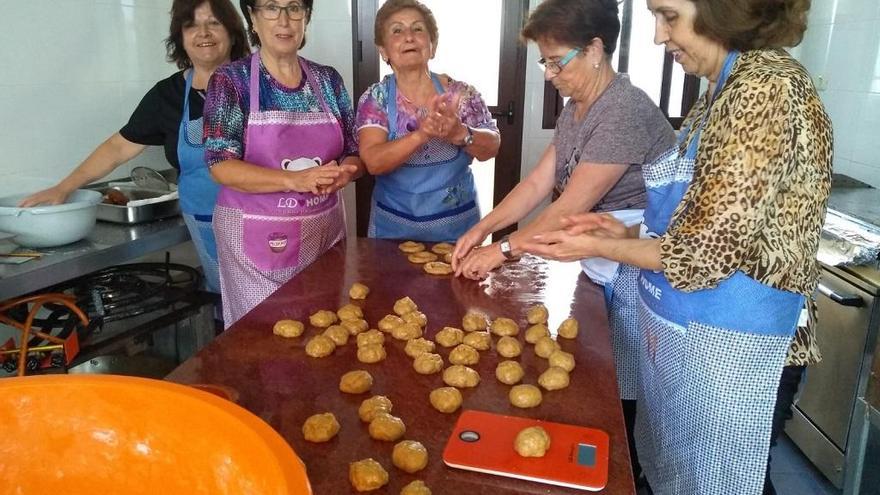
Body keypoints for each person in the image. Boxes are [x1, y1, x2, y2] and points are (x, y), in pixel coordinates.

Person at [521, 0, 832, 493]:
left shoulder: (765, 88)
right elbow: (699, 219)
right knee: (682, 473)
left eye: (669, 16)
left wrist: (596, 246)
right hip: (698, 331)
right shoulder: (719, 93)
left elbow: (704, 254)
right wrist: (622, 234)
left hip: (740, 341)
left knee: (726, 482)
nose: (658, 37)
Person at [453, 0, 674, 477]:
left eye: (557, 61)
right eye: (544, 61)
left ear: (595, 50)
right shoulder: (578, 108)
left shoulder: (623, 110)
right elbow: (536, 185)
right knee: (602, 372)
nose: (549, 73)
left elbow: (569, 205)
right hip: (599, 255)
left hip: (638, 260)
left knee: (629, 389)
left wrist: (504, 250)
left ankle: (624, 475)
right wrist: (483, 226)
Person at [20, 0, 250, 296]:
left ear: (232, 31)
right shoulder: (167, 96)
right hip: (207, 222)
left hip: (263, 218)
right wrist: (64, 187)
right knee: (229, 301)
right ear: (180, 37)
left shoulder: (258, 84)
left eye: (214, 23)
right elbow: (117, 147)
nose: (203, 33)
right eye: (191, 24)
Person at [204, 0, 362, 327]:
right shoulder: (231, 81)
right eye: (271, 8)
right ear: (253, 17)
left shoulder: (328, 80)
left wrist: (346, 172)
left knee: (325, 328)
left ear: (306, 16)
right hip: (257, 242)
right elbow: (220, 165)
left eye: (294, 8)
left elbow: (353, 149)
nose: (284, 20)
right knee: (267, 338)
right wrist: (294, 180)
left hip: (323, 236)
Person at [355, 0, 500, 242]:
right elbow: (374, 162)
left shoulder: (461, 94)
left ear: (432, 46)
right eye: (397, 30)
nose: (409, 37)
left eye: (418, 29)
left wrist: (460, 133)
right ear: (383, 51)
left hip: (458, 231)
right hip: (393, 230)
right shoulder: (376, 99)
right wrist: (422, 135)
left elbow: (492, 147)